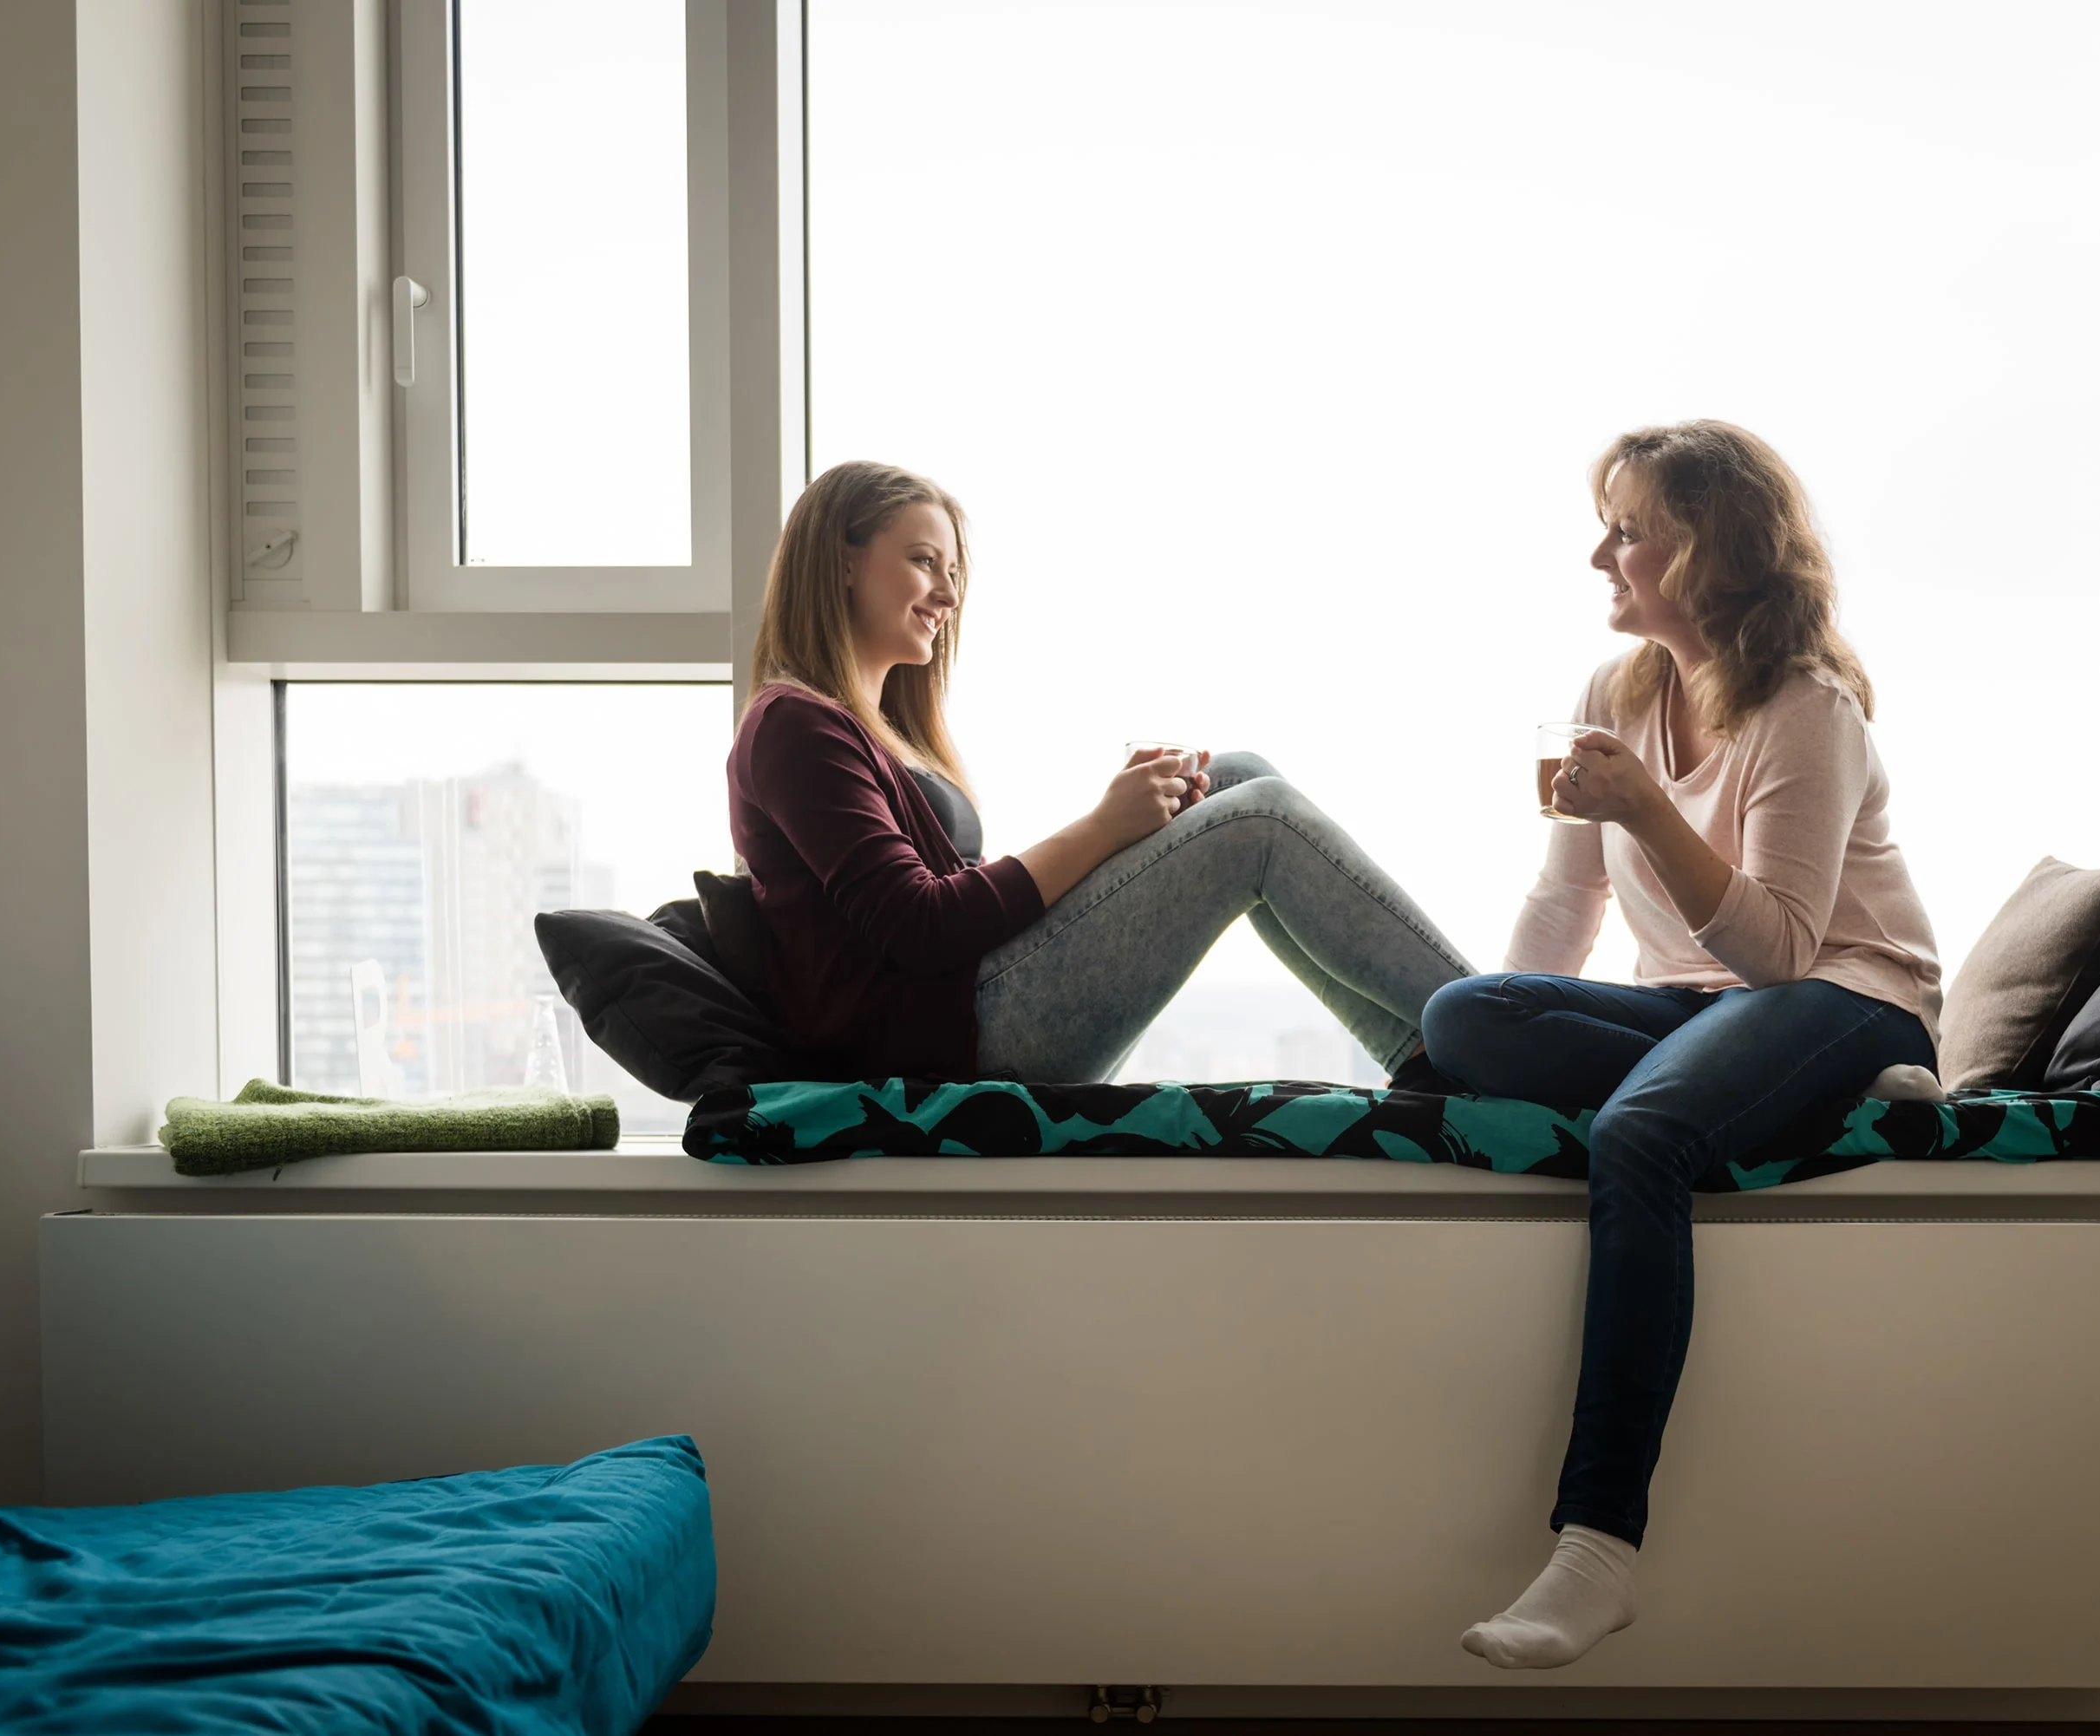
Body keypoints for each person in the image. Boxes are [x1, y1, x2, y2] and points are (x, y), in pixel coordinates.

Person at [1423, 421, 1942, 1669]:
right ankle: (1806, 1101)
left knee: (1645, 1128)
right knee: (1460, 1016)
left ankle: (1598, 1546)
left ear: (1708, 549)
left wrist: (1649, 807)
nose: (1601, 552)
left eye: (1630, 528)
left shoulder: (1807, 711)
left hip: (1847, 987)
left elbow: (1777, 948)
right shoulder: (1614, 692)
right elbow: (1565, 907)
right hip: (1700, 1010)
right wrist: (1486, 1035)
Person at [728, 459, 1472, 1087]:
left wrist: (1128, 835)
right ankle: (1510, 1031)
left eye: (954, 573)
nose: (951, 598)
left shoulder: (871, 729)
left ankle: (1427, 1065)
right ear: (844, 559)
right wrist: (1103, 829)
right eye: (925, 561)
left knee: (1236, 776)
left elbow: (960, 909)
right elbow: (921, 927)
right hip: (948, 1041)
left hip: (971, 1006)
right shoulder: (795, 727)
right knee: (1262, 819)